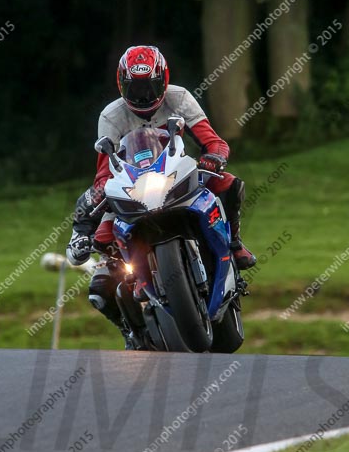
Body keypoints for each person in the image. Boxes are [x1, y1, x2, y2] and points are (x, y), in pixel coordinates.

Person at [67, 45, 256, 343]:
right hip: (132, 188)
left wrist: (214, 158)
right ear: (122, 84)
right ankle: (133, 322)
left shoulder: (179, 97)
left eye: (149, 87)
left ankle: (234, 243)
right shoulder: (111, 116)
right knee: (102, 261)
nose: (143, 95)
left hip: (176, 173)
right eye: (135, 88)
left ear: (163, 80)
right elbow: (104, 174)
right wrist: (82, 229)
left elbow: (214, 142)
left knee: (229, 183)